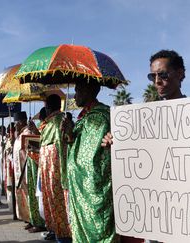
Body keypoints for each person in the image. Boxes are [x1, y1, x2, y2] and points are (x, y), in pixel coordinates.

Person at [101, 50, 186, 243]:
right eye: (152, 76)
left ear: (180, 74)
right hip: (157, 211)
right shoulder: (144, 120)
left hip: (186, 209)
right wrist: (115, 143)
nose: (157, 81)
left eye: (163, 74)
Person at [63, 79, 116, 243]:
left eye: (78, 90)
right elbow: (78, 147)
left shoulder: (98, 117)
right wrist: (70, 134)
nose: (75, 96)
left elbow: (88, 158)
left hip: (92, 191)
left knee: (97, 233)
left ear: (88, 90)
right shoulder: (85, 116)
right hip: (80, 190)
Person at [40, 94, 71, 243]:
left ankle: (63, 235)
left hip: (57, 174)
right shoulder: (50, 123)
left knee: (60, 208)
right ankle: (57, 232)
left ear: (48, 107)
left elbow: (61, 148)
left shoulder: (59, 122)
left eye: (45, 106)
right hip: (51, 174)